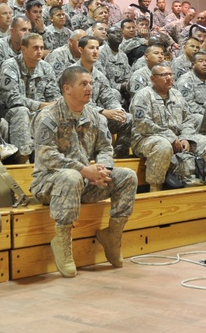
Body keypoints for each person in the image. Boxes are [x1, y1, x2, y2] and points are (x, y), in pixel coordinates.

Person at [31, 66, 138, 278]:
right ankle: (62, 242)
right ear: (67, 89)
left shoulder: (95, 116)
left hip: (85, 183)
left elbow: (105, 147)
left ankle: (112, 236)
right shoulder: (48, 116)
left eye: (90, 83)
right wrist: (83, 170)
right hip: (49, 185)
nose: (89, 88)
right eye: (83, 84)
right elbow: (46, 156)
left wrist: (103, 170)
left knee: (127, 176)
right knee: (71, 176)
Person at [130, 63, 206, 192]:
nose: (169, 78)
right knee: (163, 145)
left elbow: (188, 119)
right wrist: (170, 137)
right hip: (145, 138)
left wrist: (186, 137)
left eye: (170, 74)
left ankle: (199, 182)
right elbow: (142, 124)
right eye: (164, 75)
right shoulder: (143, 95)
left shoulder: (177, 95)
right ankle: (155, 188)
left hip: (177, 138)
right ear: (153, 79)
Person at [0, 32, 58, 163]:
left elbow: (54, 96)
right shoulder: (10, 65)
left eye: (42, 48)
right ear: (23, 49)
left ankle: (52, 160)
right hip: (11, 114)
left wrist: (51, 106)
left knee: (57, 116)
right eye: (35, 48)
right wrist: (40, 106)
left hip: (39, 115)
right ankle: (23, 160)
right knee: (22, 111)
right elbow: (11, 99)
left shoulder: (46, 68)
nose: (39, 51)